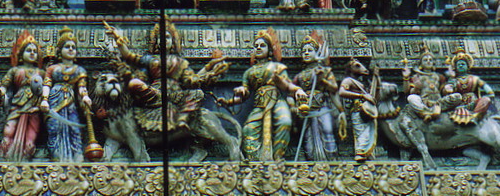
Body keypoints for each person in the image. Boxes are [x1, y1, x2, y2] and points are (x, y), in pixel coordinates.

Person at [105, 21, 228, 133]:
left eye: (167, 37)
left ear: (173, 42)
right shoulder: (150, 59)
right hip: (156, 93)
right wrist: (117, 38)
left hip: (175, 94)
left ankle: (182, 119)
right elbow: (128, 56)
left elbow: (191, 80)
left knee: (198, 93)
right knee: (134, 83)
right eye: (161, 37)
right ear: (156, 41)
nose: (164, 40)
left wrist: (209, 67)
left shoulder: (180, 62)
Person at [217, 28, 306, 160]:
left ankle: (278, 157)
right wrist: (230, 101)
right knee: (248, 129)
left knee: (285, 122)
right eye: (256, 46)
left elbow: (287, 85)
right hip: (260, 104)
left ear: (270, 50)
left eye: (262, 45)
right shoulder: (249, 72)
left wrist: (298, 90)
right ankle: (256, 160)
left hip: (277, 101)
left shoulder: (277, 67)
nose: (258, 48)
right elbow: (245, 93)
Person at [40, 27, 91, 162]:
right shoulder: (52, 69)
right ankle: (56, 156)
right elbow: (46, 84)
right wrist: (44, 100)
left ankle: (77, 157)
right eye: (67, 47)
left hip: (70, 103)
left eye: (73, 47)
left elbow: (82, 87)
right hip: (54, 100)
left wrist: (85, 96)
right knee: (54, 128)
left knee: (74, 129)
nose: (70, 49)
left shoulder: (79, 70)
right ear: (60, 51)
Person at [292, 35, 344, 161]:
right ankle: (311, 159)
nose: (306, 53)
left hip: (322, 106)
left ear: (317, 53)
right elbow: (290, 92)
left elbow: (334, 88)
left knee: (327, 129)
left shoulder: (325, 71)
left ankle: (331, 159)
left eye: (309, 50)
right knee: (308, 136)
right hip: (306, 108)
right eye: (303, 51)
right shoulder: (300, 76)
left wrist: (323, 80)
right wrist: (293, 107)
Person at [0, 32, 45, 161]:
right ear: (20, 54)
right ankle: (6, 156)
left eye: (34, 51)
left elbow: (46, 89)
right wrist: (0, 92)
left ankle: (26, 157)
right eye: (28, 50)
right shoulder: (14, 70)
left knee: (31, 137)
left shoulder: (41, 73)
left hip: (35, 105)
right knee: (9, 130)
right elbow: (5, 84)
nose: (32, 53)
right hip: (17, 103)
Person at [338, 59, 378, 161]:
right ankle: (360, 152)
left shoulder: (362, 84)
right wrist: (362, 96)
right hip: (357, 110)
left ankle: (367, 153)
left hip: (368, 111)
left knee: (369, 132)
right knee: (361, 132)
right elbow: (342, 92)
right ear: (351, 69)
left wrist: (376, 77)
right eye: (357, 66)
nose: (362, 68)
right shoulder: (348, 81)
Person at [442, 48, 494, 125]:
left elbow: (485, 86)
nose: (460, 66)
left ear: (468, 66)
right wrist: (448, 87)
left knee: (486, 100)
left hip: (474, 103)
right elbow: (448, 91)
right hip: (460, 104)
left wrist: (490, 93)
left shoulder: (474, 78)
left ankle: (476, 116)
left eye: (463, 64)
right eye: (458, 64)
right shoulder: (454, 80)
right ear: (455, 67)